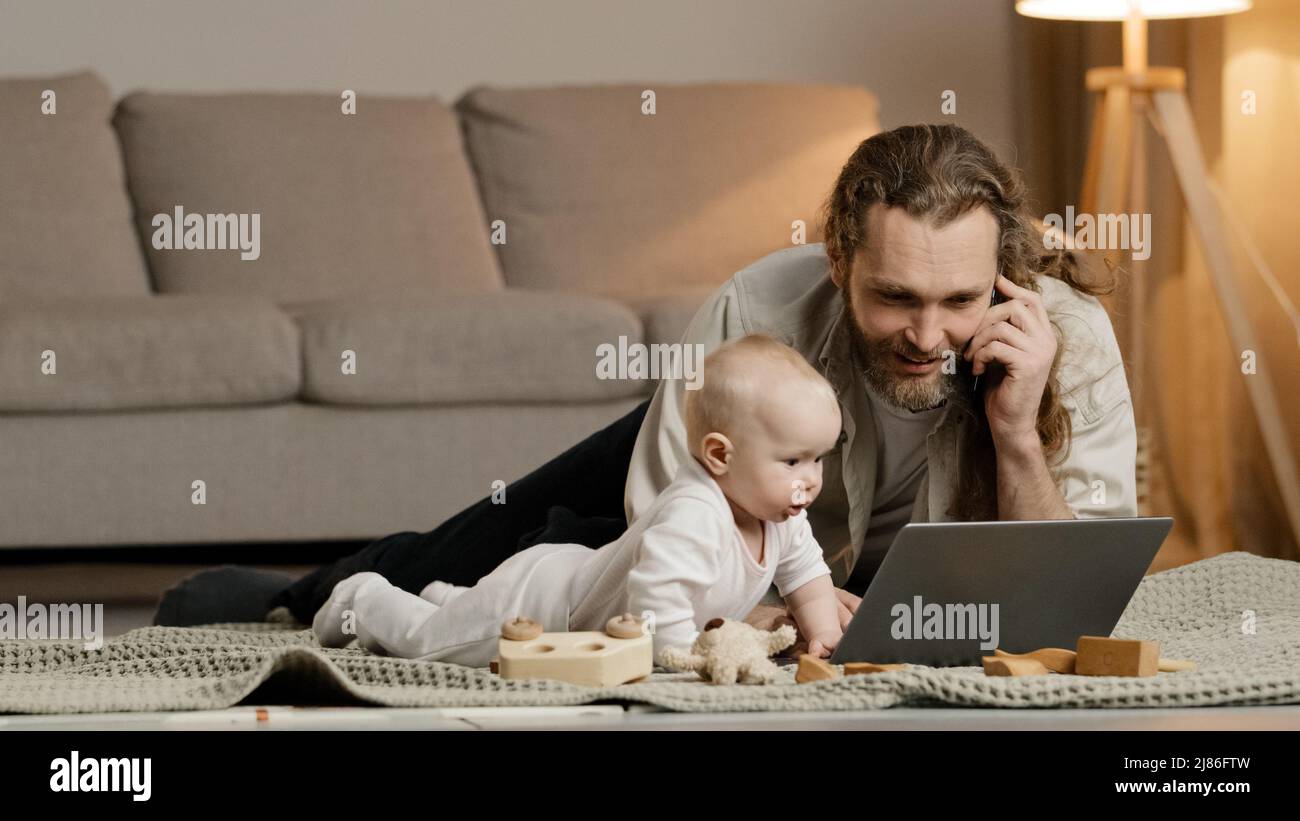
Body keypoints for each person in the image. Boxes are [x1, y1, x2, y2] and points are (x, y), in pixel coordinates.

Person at [155, 123, 1135, 642]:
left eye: (957, 299)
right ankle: (300, 594)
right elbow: (669, 545)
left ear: (1006, 269)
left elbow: (1071, 594)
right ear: (837, 261)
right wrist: (776, 615)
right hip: (715, 466)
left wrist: (1012, 436)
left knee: (548, 562)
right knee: (509, 551)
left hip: (830, 549)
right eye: (892, 298)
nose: (926, 336)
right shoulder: (757, 313)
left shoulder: (1067, 340)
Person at [311, 335, 844, 667]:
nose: (812, 479)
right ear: (719, 455)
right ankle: (363, 597)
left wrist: (822, 634)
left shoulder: (783, 512)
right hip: (547, 607)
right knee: (434, 646)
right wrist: (688, 660)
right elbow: (656, 606)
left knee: (466, 614)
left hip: (571, 587)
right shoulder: (696, 513)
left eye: (819, 459)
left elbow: (807, 578)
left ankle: (449, 598)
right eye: (793, 461)